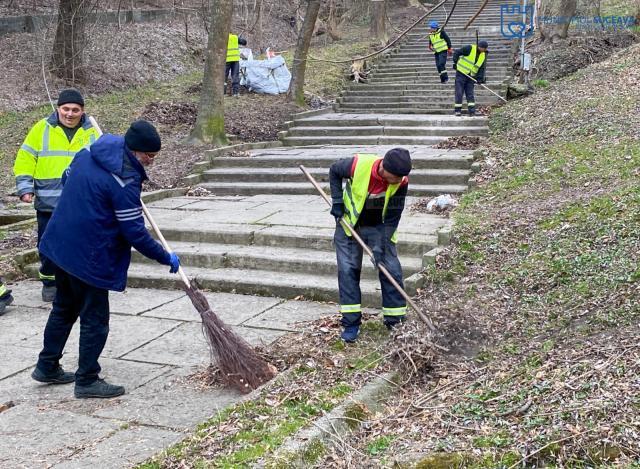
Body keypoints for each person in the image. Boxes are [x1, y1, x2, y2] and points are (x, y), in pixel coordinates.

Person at [31, 120, 181, 399]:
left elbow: (66, 177)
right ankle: (87, 380)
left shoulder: (91, 151)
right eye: (149, 156)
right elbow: (135, 233)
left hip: (59, 244)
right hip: (88, 257)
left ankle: (47, 365)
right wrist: (165, 256)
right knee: (94, 318)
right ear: (135, 151)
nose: (151, 161)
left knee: (63, 308)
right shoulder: (124, 180)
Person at [13, 89, 100, 302]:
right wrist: (25, 188)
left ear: (82, 111)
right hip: (48, 202)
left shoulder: (93, 132)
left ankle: (75, 283)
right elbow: (25, 158)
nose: (70, 114)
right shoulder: (41, 129)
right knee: (48, 244)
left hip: (80, 202)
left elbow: (104, 164)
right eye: (66, 109)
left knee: (79, 244)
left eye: (75, 110)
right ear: (58, 108)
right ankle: (50, 282)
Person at [329, 149, 412, 343]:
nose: (397, 181)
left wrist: (380, 246)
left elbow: (393, 216)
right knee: (348, 270)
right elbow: (334, 171)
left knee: (391, 269)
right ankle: (351, 324)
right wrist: (337, 201)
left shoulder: (401, 182)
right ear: (383, 168)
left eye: (400, 178)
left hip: (380, 227)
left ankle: (395, 321)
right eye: (394, 178)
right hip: (349, 224)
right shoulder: (358, 165)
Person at [452, 40, 488, 117]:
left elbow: (481, 68)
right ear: (479, 47)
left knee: (470, 94)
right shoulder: (469, 48)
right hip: (461, 73)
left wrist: (479, 79)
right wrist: (455, 62)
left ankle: (472, 111)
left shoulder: (483, 55)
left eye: (484, 49)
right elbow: (457, 52)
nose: (483, 50)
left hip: (471, 76)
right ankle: (457, 111)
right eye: (482, 48)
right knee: (459, 92)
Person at [225, 33, 241, 97]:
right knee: (235, 76)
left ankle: (223, 93)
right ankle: (236, 93)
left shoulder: (222, 38)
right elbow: (244, 42)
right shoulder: (235, 37)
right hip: (235, 60)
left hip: (226, 60)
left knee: (224, 76)